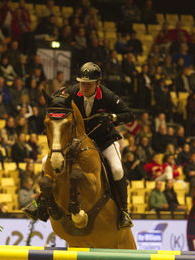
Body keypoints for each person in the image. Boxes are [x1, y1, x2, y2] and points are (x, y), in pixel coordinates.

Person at [51, 62, 136, 228]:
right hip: (79, 143)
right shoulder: (73, 91)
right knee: (54, 159)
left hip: (104, 141)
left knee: (117, 169)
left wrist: (112, 117)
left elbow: (129, 114)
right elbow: (57, 100)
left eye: (89, 84)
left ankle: (124, 211)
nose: (84, 87)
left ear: (98, 84)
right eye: (82, 82)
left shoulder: (107, 96)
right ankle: (42, 202)